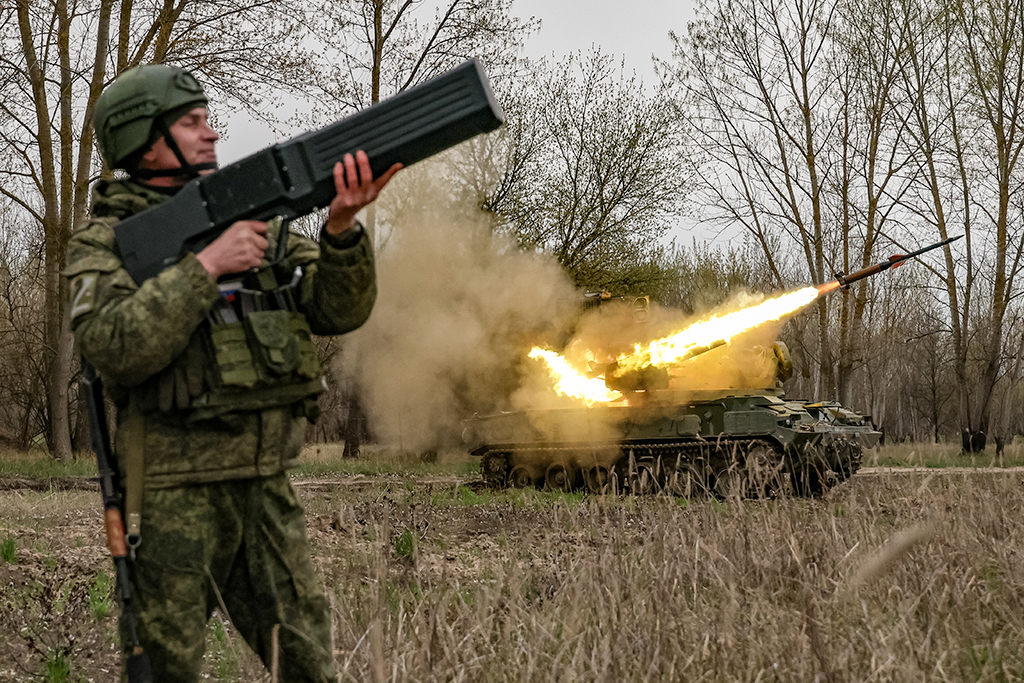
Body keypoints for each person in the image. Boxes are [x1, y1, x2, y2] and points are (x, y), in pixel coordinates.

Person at [66, 64, 400, 683]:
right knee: (168, 669)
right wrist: (206, 269)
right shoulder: (105, 242)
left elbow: (338, 309)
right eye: (192, 123)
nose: (212, 134)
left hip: (264, 488)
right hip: (171, 497)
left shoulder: (255, 223)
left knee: (308, 662)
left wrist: (342, 228)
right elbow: (113, 345)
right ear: (143, 137)